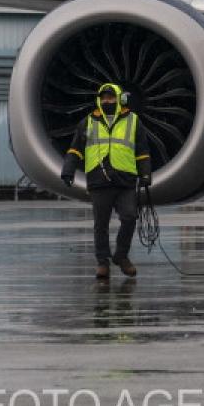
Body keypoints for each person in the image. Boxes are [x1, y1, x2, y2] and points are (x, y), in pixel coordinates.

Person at [59, 83, 152, 279]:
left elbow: (142, 151)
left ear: (119, 99)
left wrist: (145, 174)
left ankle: (121, 255)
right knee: (100, 224)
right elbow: (75, 149)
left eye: (110, 98)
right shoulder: (88, 122)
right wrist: (68, 170)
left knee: (130, 217)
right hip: (98, 180)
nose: (107, 101)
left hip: (124, 179)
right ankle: (102, 262)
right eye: (104, 98)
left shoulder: (133, 121)